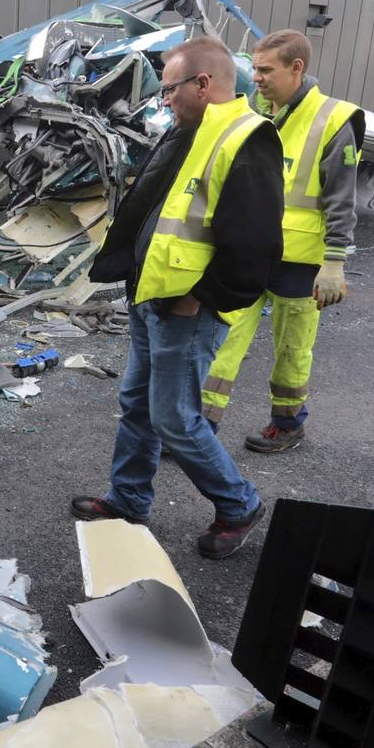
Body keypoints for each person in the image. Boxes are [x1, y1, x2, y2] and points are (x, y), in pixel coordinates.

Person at [71, 36, 284, 559]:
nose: (163, 99)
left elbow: (256, 249)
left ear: (203, 84)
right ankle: (128, 500)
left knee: (174, 417)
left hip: (186, 309)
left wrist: (198, 299)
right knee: (138, 407)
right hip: (153, 297)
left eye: (169, 89)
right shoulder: (188, 130)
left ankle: (239, 504)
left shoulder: (246, 139)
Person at [201, 30, 366, 453]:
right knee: (222, 339)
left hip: (301, 261)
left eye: (265, 70)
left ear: (297, 68)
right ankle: (198, 428)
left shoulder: (332, 119)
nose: (254, 77)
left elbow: (340, 198)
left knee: (293, 349)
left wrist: (334, 262)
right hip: (248, 251)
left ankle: (288, 425)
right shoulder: (253, 113)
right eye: (253, 68)